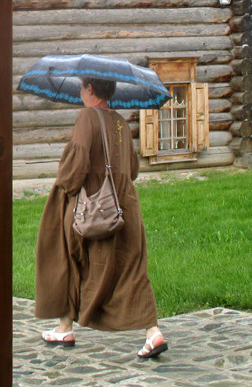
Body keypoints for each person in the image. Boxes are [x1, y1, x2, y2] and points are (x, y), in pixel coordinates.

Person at [35, 76, 167, 358]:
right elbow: (132, 169)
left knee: (71, 259)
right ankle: (153, 334)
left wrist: (65, 181)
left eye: (82, 87)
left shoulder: (87, 116)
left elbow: (76, 166)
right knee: (131, 268)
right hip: (125, 206)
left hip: (94, 207)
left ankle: (64, 327)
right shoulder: (120, 120)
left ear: (90, 89)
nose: (80, 92)